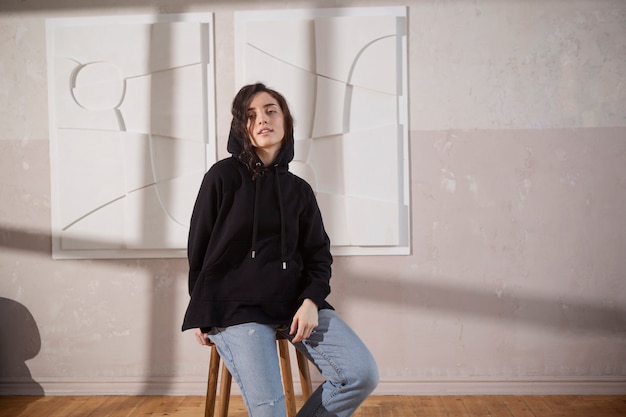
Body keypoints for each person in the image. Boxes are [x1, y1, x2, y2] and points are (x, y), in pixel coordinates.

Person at [182, 83, 378, 417]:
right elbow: (198, 247)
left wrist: (311, 301)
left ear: (285, 120)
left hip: (292, 303)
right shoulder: (222, 176)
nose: (262, 119)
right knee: (271, 410)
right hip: (235, 308)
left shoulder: (299, 191)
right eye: (250, 115)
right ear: (240, 127)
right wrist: (200, 307)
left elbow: (319, 256)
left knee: (360, 374)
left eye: (271, 110)